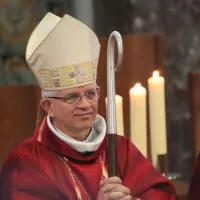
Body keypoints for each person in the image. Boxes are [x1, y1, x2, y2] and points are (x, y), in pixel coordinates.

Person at [0, 12, 176, 200]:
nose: (85, 104)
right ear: (48, 106)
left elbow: (163, 193)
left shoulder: (118, 148)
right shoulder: (26, 163)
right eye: (73, 97)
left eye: (90, 94)